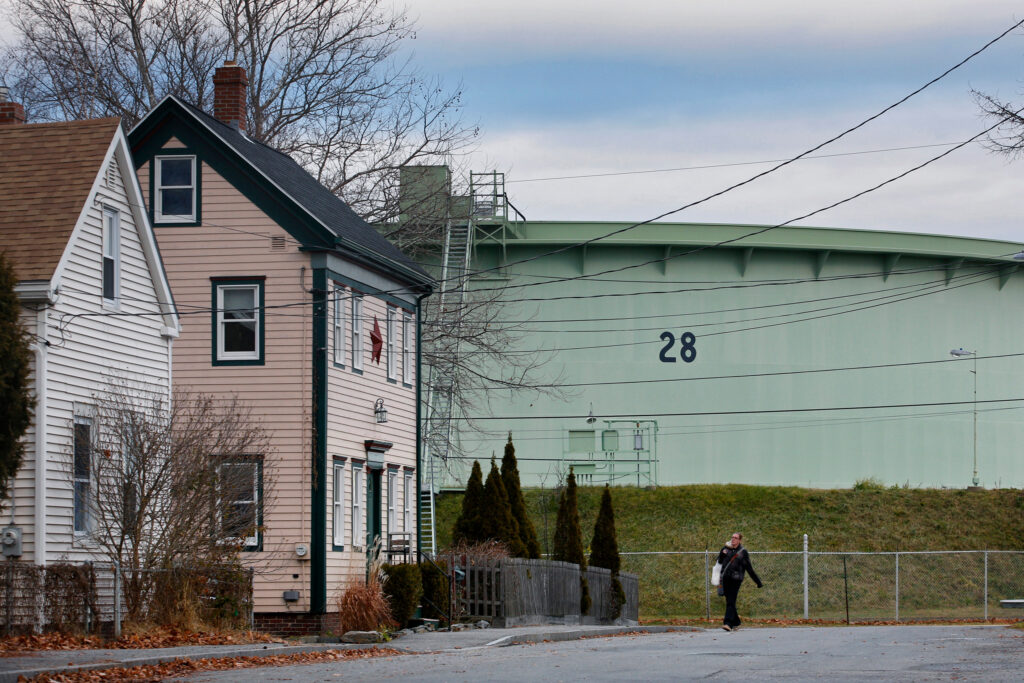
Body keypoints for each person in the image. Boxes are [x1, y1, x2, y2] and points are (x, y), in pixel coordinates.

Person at [717, 532, 763, 631]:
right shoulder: (725, 549)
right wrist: (722, 554)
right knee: (730, 601)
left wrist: (757, 582)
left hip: (736, 580)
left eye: (736, 538)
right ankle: (736, 621)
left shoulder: (742, 552)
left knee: (730, 601)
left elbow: (749, 568)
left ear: (739, 540)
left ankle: (728, 623)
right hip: (725, 579)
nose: (733, 539)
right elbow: (720, 561)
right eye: (732, 537)